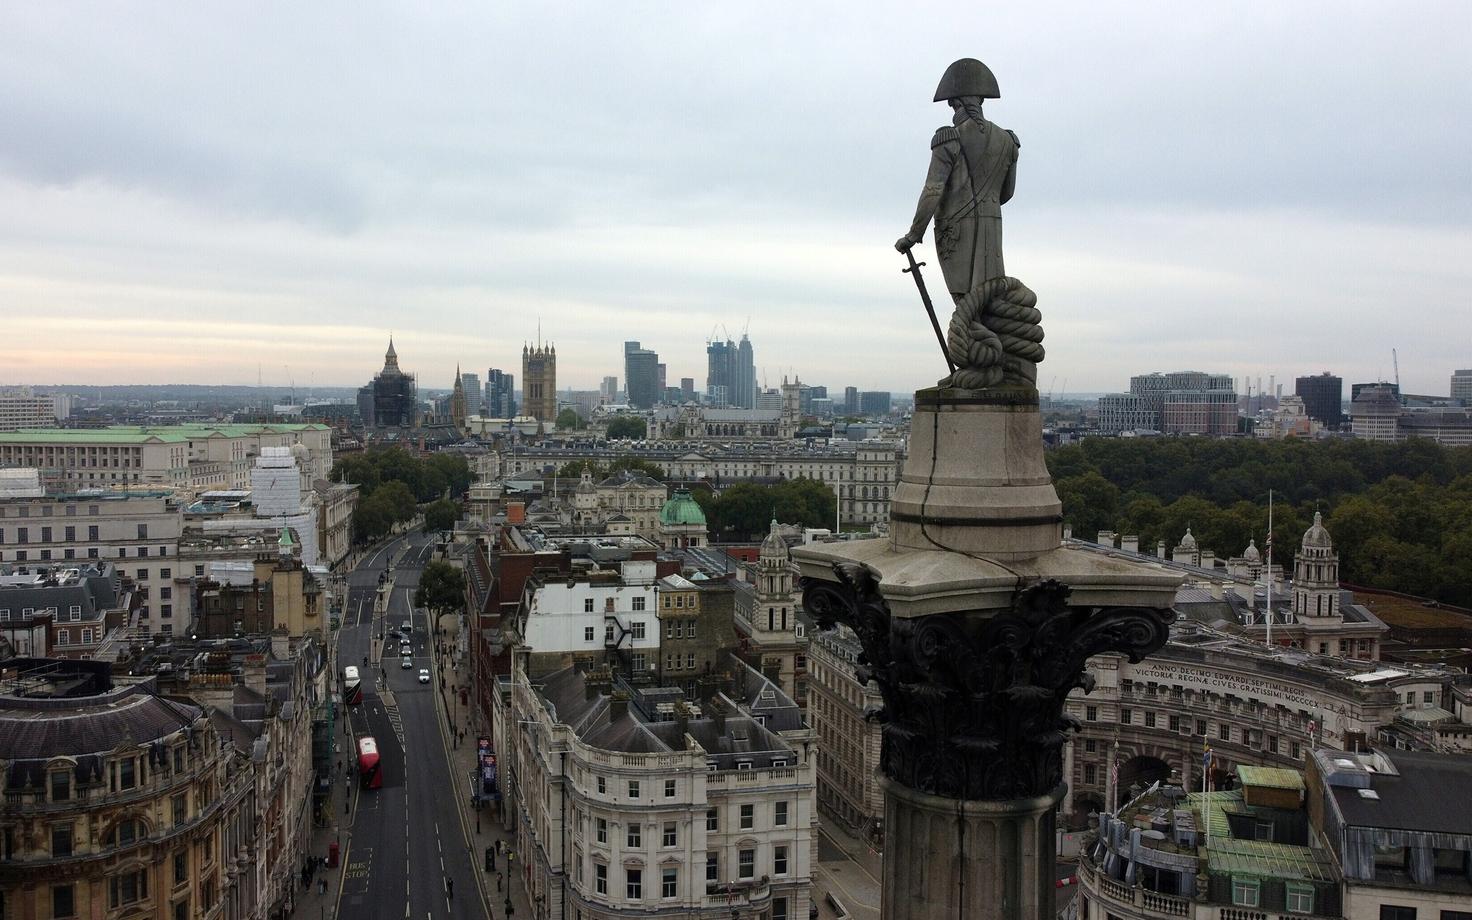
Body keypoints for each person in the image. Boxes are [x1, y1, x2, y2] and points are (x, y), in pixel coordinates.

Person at [895, 58, 1019, 298]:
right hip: (992, 228)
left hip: (956, 232)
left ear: (958, 102)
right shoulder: (1008, 141)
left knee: (965, 304)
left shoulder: (948, 138)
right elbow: (1007, 193)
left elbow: (933, 189)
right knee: (989, 303)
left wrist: (914, 234)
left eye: (953, 105)